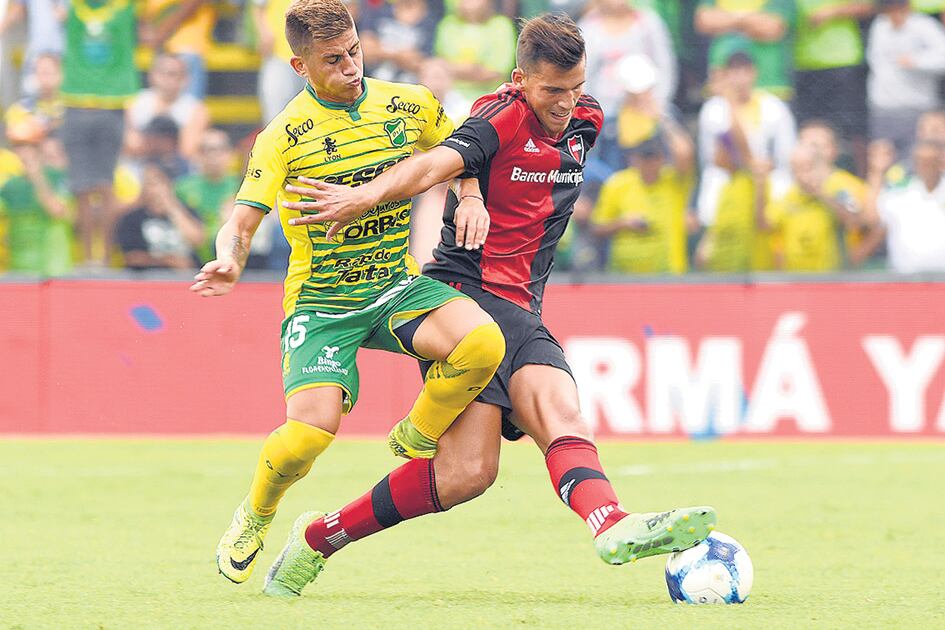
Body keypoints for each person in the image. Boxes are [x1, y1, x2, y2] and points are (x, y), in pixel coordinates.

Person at [268, 12, 716, 598]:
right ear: (520, 79)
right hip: (464, 298)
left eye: (575, 87)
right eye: (551, 90)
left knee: (470, 471)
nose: (565, 103)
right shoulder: (496, 116)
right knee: (536, 424)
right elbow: (433, 164)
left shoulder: (587, 120)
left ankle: (320, 537)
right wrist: (364, 197)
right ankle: (609, 520)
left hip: (522, 306)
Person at [189, 0, 505, 588]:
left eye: (355, 51)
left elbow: (463, 151)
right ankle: (255, 514)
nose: (351, 67)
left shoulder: (409, 103)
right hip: (322, 304)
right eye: (333, 60)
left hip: (394, 286)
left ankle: (418, 431)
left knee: (484, 343)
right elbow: (240, 221)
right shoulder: (282, 137)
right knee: (307, 438)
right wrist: (229, 258)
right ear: (300, 66)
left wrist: (470, 195)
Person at [694, 49, 795, 272]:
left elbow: (785, 157)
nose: (739, 79)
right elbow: (722, 159)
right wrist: (728, 101)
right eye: (733, 72)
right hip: (726, 192)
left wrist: (761, 168)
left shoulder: (774, 107)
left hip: (768, 192)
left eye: (744, 71)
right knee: (716, 260)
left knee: (771, 257)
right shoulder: (714, 109)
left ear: (754, 73)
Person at [60, 0, 139, 266]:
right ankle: (89, 258)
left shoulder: (124, 7)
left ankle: (101, 258)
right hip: (80, 102)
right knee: (83, 187)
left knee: (102, 185)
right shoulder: (76, 7)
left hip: (108, 104)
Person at [590, 129, 695, 275]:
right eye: (645, 158)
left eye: (654, 158)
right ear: (634, 159)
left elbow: (684, 153)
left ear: (662, 159)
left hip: (668, 274)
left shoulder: (673, 182)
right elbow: (596, 227)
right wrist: (623, 223)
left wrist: (664, 121)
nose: (649, 164)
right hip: (624, 275)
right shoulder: (618, 184)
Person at [867, 0, 945, 156]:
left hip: (917, 107)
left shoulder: (924, 26)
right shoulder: (879, 26)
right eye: (889, 10)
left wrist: (917, 61)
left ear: (907, 7)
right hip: (883, 107)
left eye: (898, 10)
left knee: (916, 156)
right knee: (883, 157)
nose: (894, 15)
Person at [857, 140, 945, 272]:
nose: (926, 166)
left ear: (941, 162)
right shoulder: (900, 193)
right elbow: (871, 220)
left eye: (931, 161)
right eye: (921, 161)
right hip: (904, 278)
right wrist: (877, 172)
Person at [0, 136, 73, 275]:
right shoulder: (11, 185)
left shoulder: (58, 178)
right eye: (18, 147)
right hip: (19, 269)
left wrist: (36, 176)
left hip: (53, 269)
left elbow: (57, 211)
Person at [695, 0, 794, 100]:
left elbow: (771, 27)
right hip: (723, 89)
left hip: (770, 87)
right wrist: (750, 20)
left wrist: (729, 21)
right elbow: (705, 21)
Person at [116, 162, 204, 270]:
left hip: (184, 276)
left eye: (158, 182)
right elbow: (131, 257)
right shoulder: (132, 218)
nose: (154, 190)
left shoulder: (188, 212)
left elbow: (197, 240)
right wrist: (166, 261)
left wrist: (172, 208)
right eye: (149, 183)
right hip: (146, 276)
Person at [124, 53, 210, 162]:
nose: (168, 79)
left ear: (186, 79)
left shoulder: (196, 110)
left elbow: (187, 151)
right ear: (152, 75)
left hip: (177, 167)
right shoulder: (133, 102)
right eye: (163, 73)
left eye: (174, 74)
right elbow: (129, 145)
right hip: (136, 166)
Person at [175, 128, 240, 261]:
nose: (213, 156)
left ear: (230, 153)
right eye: (207, 150)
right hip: (190, 257)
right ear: (197, 155)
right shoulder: (182, 188)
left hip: (233, 256)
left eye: (220, 149)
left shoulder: (242, 186)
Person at [252, 0, 306, 123]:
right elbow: (258, 8)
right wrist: (264, 33)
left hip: (315, 55)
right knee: (276, 118)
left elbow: (347, 7)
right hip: (278, 54)